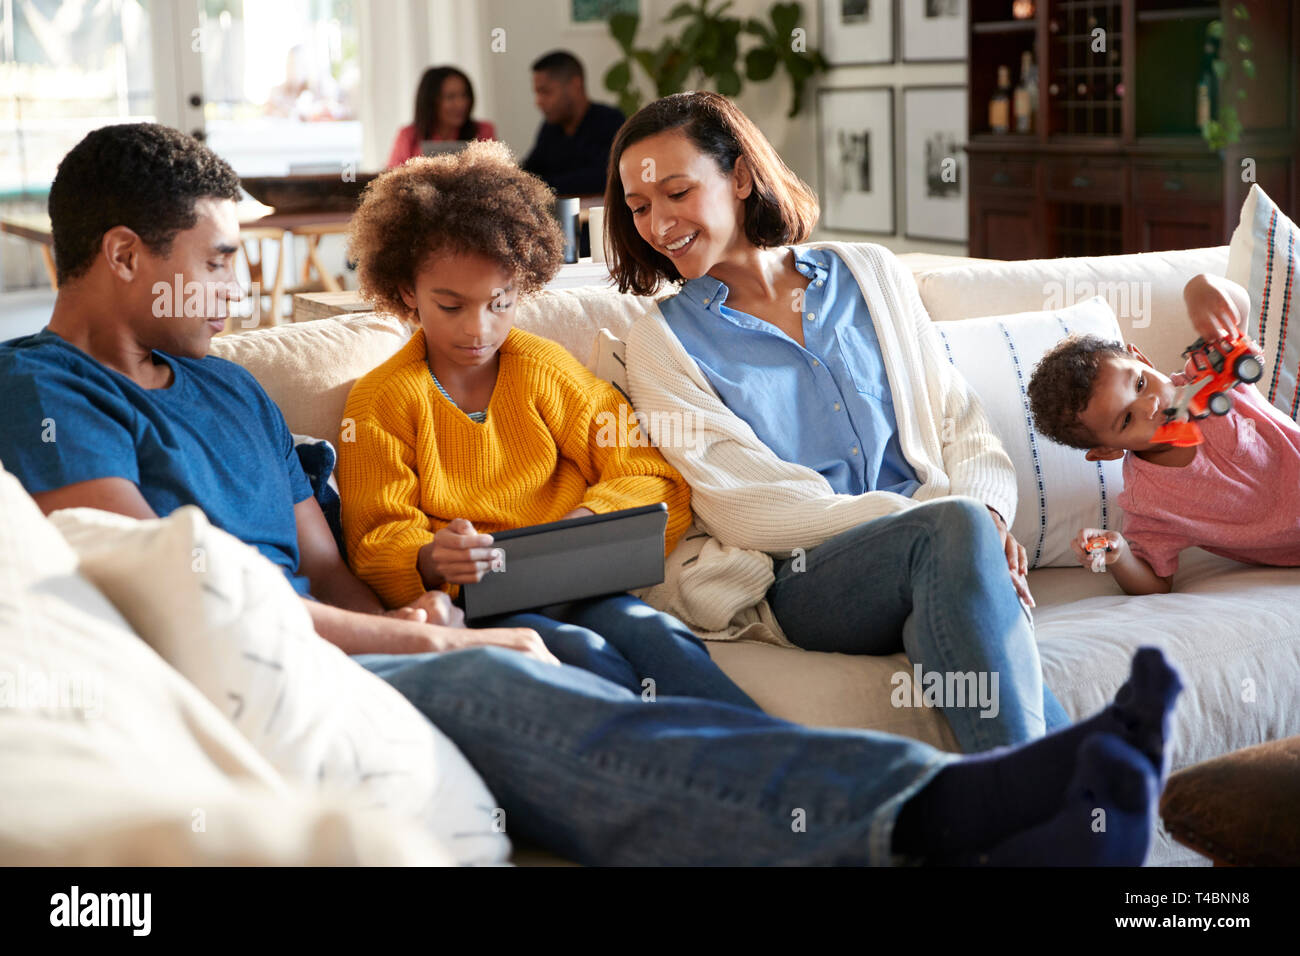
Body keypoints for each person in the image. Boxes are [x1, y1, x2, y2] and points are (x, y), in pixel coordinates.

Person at [0, 121, 1181, 867]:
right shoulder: (40, 390)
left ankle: (957, 811)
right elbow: (171, 580)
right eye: (217, 261)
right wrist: (430, 613)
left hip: (380, 625)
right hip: (280, 661)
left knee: (618, 659)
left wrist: (409, 611)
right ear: (121, 256)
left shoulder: (233, 393)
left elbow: (322, 563)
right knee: (525, 672)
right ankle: (943, 814)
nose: (237, 289)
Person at [604, 91, 1064, 754]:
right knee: (951, 531)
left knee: (960, 554)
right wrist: (940, 519)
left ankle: (1032, 807)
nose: (657, 223)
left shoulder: (869, 273)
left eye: (676, 192)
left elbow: (958, 415)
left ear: (738, 177)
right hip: (810, 579)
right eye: (639, 206)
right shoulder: (660, 340)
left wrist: (987, 517)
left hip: (941, 544)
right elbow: (747, 507)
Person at [337, 141, 758, 708]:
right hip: (479, 605)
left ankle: (754, 764)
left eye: (499, 302)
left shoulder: (543, 369)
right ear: (408, 292)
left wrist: (580, 527)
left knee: (661, 639)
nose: (478, 330)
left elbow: (651, 475)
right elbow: (372, 540)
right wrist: (431, 555)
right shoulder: (381, 401)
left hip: (579, 583)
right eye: (451, 306)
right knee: (580, 655)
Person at [1026, 274, 1300, 595]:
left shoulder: (1206, 377)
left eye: (1140, 383)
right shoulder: (1150, 503)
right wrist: (1121, 557)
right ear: (1108, 451)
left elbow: (1237, 310)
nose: (1151, 404)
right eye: (1127, 419)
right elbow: (1156, 582)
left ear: (1142, 360)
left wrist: (1199, 288)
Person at [521, 51, 625, 196]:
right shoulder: (550, 127)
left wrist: (541, 185)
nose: (538, 102)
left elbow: (605, 177)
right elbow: (530, 170)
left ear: (575, 84)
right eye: (537, 93)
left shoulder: (610, 121)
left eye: (546, 92)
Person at [387, 66, 496, 169]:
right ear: (431, 102)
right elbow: (392, 179)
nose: (461, 104)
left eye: (464, 95)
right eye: (450, 97)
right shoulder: (409, 135)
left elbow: (494, 176)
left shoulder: (483, 131)